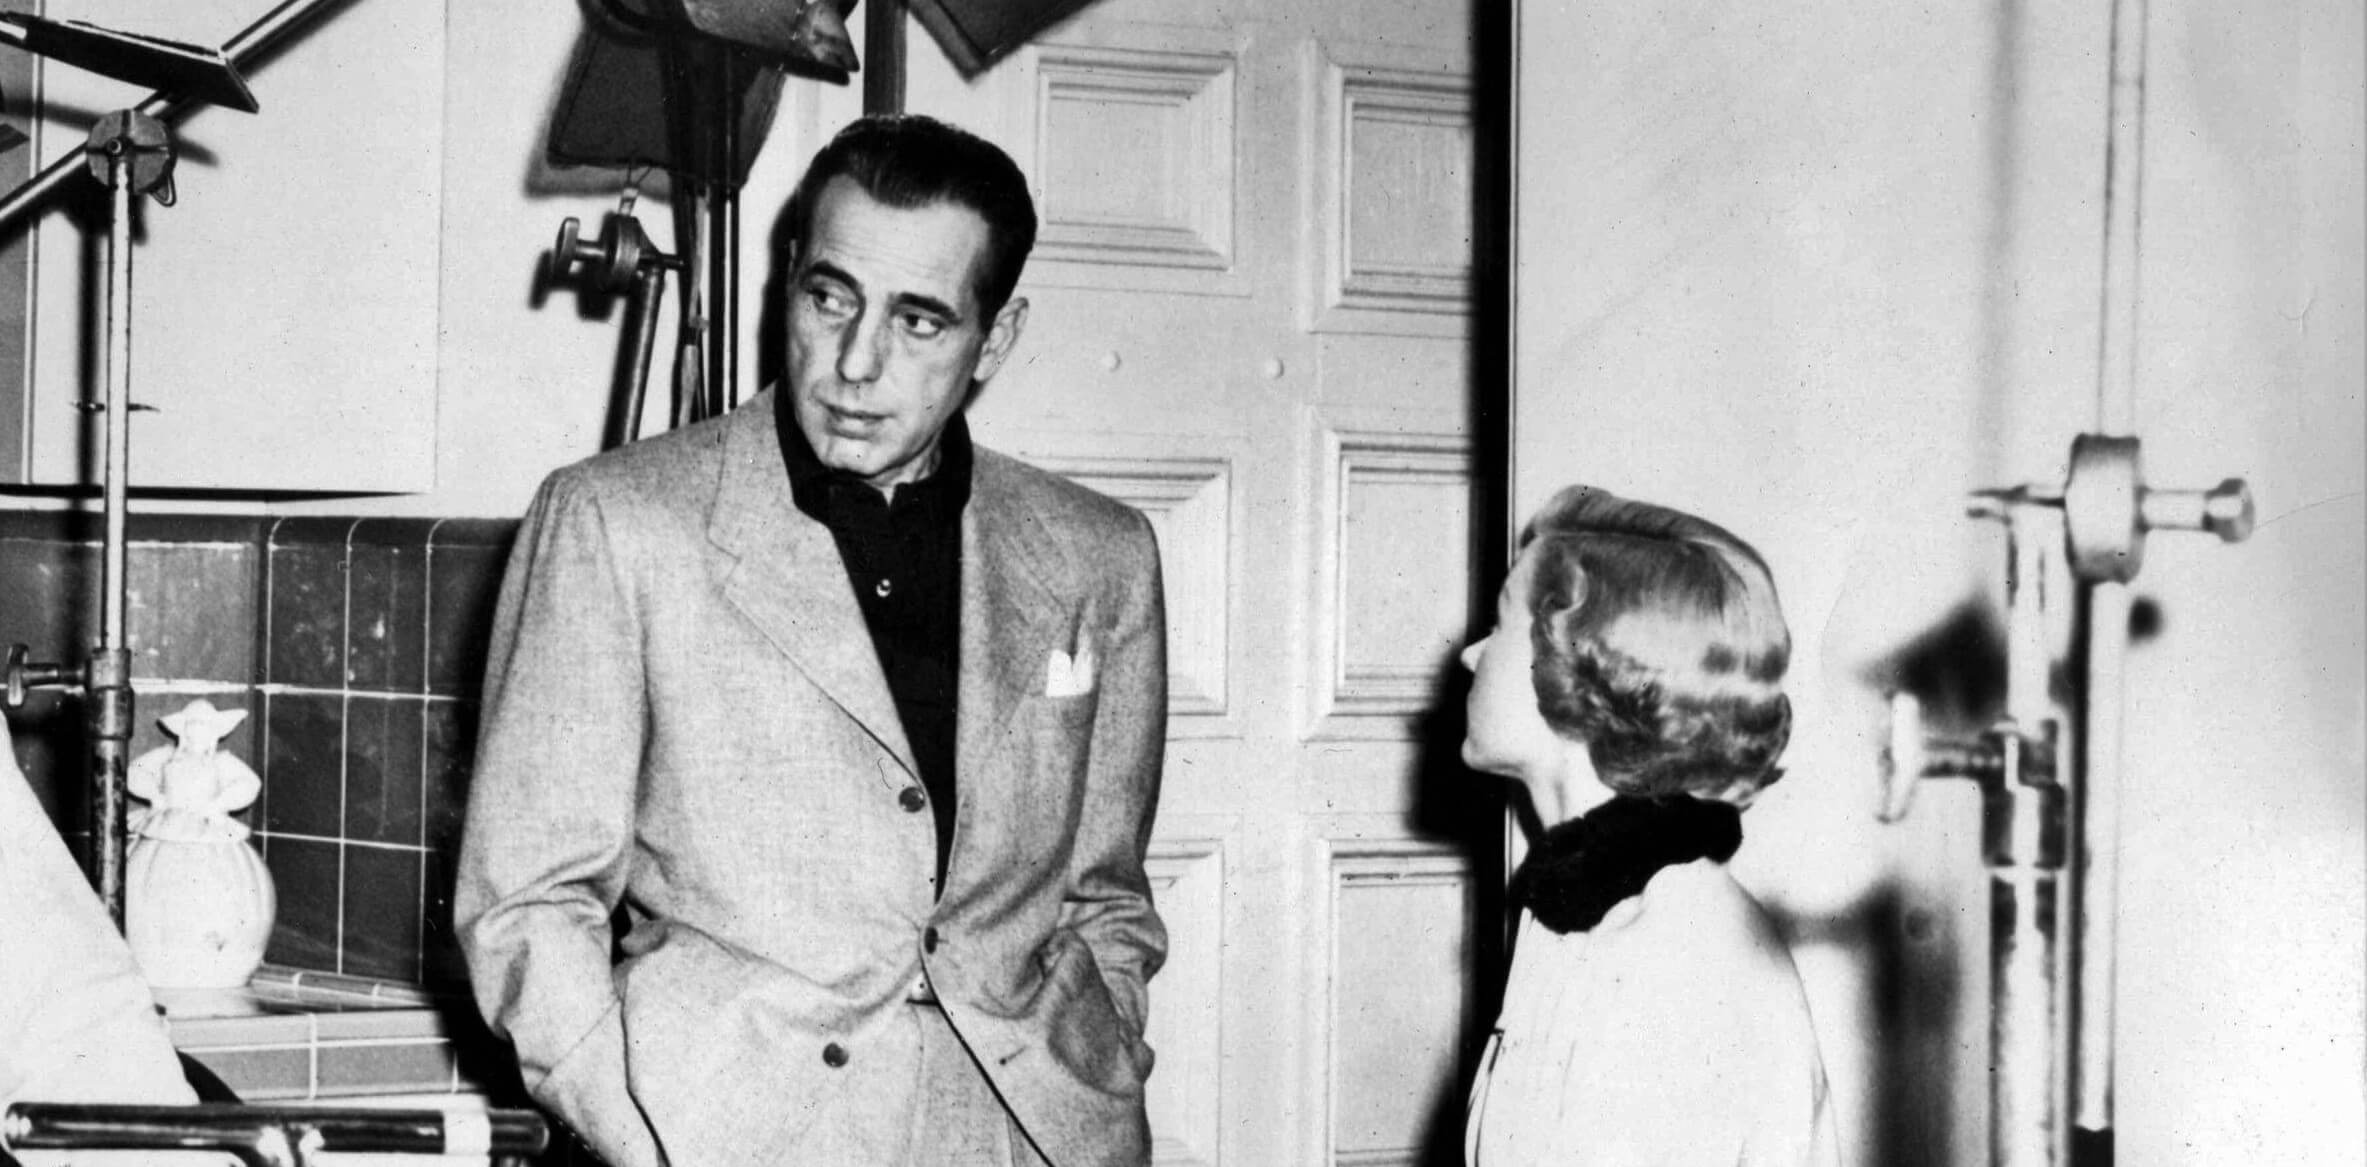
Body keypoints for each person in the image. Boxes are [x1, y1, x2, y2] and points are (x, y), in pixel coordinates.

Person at [456, 114, 1169, 1167]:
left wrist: (1101, 1058)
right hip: (724, 1137)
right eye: (830, 298)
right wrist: (646, 1136)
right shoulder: (619, 520)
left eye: (919, 322)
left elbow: (1104, 894)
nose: (854, 362)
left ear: (995, 339)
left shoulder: (1098, 554)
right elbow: (527, 900)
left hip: (1029, 1136)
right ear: (787, 279)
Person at [1460, 486, 1841, 1166]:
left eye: (1499, 623)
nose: (1469, 654)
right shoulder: (1570, 912)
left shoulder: (1676, 960)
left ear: (1580, 668)